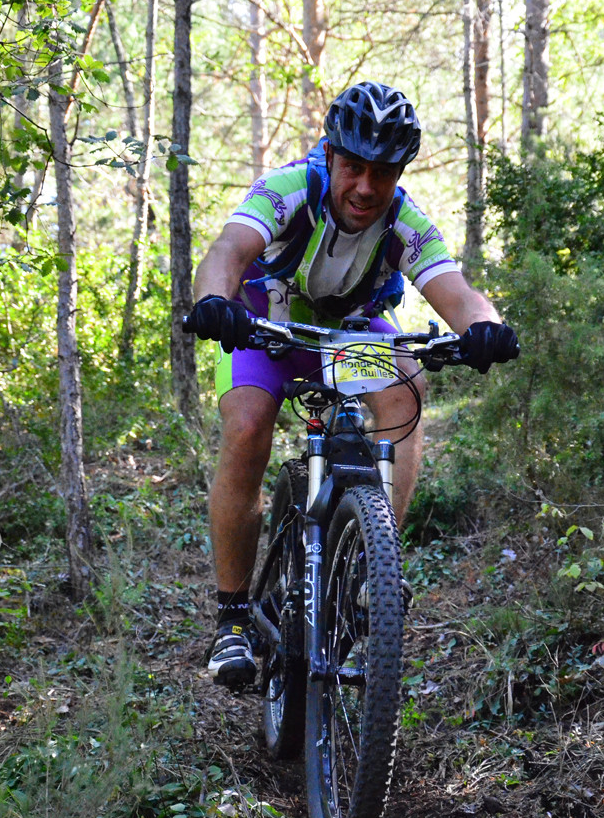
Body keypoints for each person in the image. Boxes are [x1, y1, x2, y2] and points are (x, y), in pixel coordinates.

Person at [189, 81, 519, 687]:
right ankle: (232, 621)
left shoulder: (402, 221)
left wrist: (487, 329)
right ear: (331, 156)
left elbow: (458, 293)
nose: (366, 187)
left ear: (399, 173)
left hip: (346, 332)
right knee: (247, 427)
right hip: (266, 321)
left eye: (383, 172)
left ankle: (374, 565)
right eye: (354, 167)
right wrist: (215, 301)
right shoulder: (291, 189)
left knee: (407, 386)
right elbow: (228, 250)